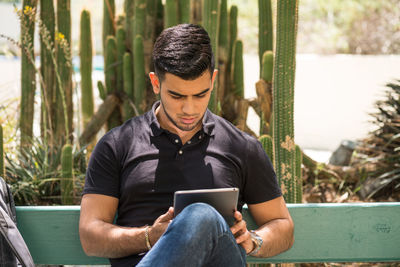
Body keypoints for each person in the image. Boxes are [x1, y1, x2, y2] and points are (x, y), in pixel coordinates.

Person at [79, 23, 294, 267]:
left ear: (213, 80)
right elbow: (90, 236)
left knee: (202, 216)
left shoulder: (242, 147)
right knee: (200, 216)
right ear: (156, 83)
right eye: (177, 96)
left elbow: (282, 225)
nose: (189, 109)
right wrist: (150, 237)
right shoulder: (117, 144)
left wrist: (253, 239)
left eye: (200, 95)